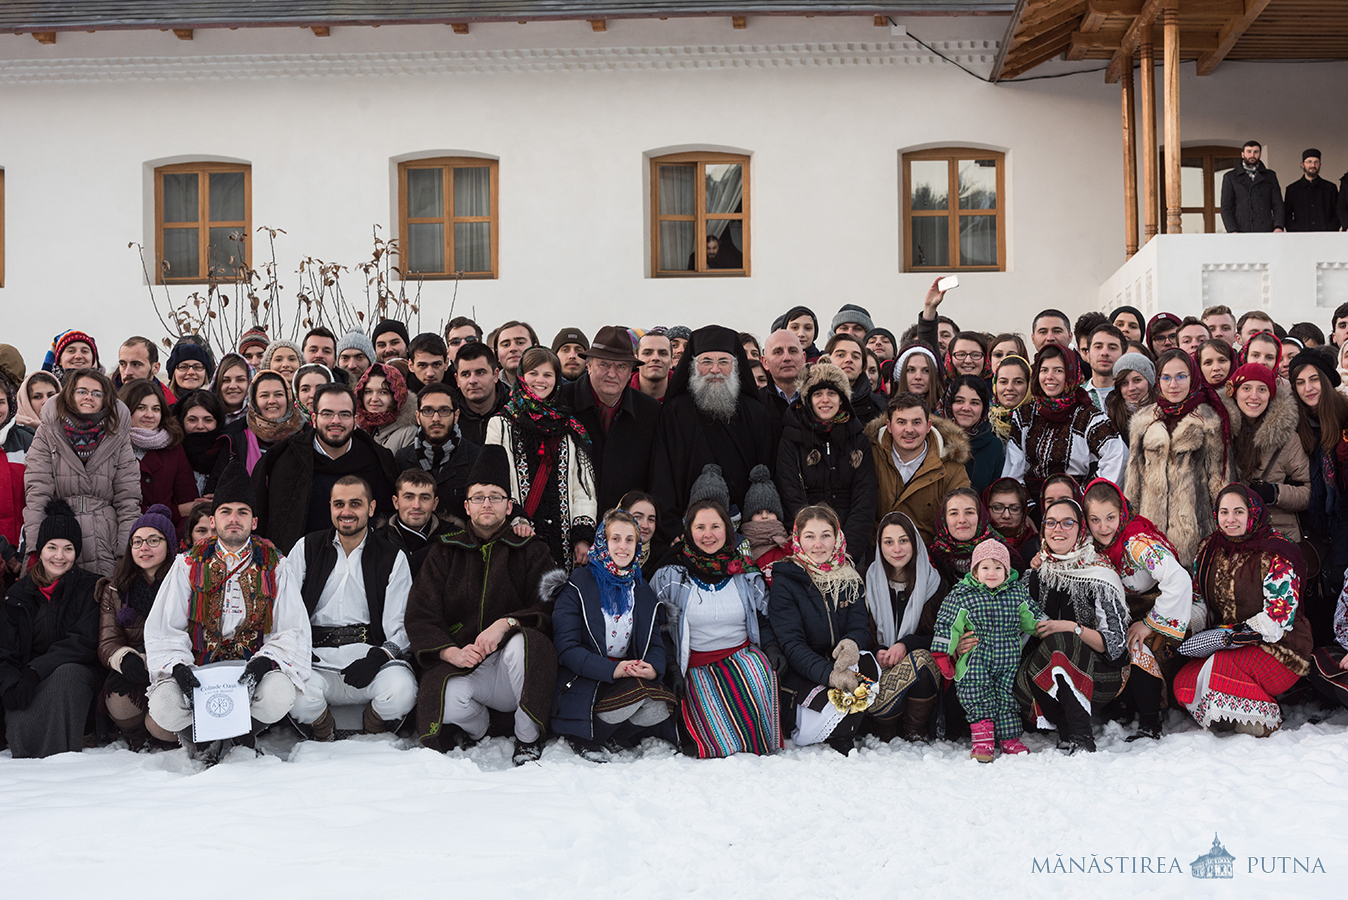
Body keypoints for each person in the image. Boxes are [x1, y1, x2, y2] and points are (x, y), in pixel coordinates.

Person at [142, 460, 310, 759]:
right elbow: (165, 627)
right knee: (164, 706)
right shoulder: (188, 564)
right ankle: (201, 738)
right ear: (214, 519)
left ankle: (244, 734)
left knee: (280, 694)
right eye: (226, 511)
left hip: (250, 669)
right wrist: (179, 668)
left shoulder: (276, 566)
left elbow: (291, 629)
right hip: (198, 667)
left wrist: (265, 662)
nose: (234, 519)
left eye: (242, 512)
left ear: (254, 521)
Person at [404, 445, 561, 763]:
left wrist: (507, 624)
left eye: (495, 497)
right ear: (466, 506)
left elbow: (549, 606)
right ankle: (478, 729)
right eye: (478, 497)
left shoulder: (532, 550)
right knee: (444, 697)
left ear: (509, 506)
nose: (486, 504)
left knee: (525, 645)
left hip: (512, 670)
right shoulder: (445, 552)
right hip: (465, 666)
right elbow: (421, 615)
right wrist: (451, 652)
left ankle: (526, 737)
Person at [285, 476, 416, 740]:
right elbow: (285, 609)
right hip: (316, 660)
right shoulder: (306, 548)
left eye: (355, 503)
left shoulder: (391, 556)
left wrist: (377, 658)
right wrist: (297, 651)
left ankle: (373, 722)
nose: (346, 512)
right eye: (339, 504)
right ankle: (323, 727)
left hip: (368, 658)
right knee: (292, 694)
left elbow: (402, 626)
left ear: (371, 508)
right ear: (330, 508)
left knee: (402, 691)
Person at [1174, 484, 1310, 736]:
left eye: (1238, 511)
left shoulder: (1277, 552)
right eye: (1224, 512)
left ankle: (1265, 717)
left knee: (1218, 670)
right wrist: (1193, 626)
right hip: (1226, 643)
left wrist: (1232, 635)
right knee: (1184, 681)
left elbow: (1277, 618)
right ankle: (1231, 712)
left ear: (1253, 513)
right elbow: (1198, 597)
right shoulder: (1208, 550)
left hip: (1280, 646)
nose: (1230, 519)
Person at [650, 499, 780, 759]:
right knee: (713, 742)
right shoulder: (670, 576)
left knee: (757, 676)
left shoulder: (744, 572)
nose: (708, 535)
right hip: (695, 664)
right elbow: (656, 630)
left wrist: (771, 647)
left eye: (715, 526)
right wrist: (671, 667)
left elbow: (764, 617)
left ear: (728, 530)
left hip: (741, 657)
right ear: (688, 531)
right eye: (700, 527)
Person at [550, 509, 677, 758]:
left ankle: (613, 735)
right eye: (615, 539)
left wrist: (652, 668)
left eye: (630, 540)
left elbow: (654, 643)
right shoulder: (578, 584)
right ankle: (585, 736)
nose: (623, 546)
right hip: (584, 679)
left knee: (659, 708)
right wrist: (612, 670)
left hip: (626, 673)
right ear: (602, 542)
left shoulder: (640, 588)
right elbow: (567, 648)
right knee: (633, 698)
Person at [1082, 479, 1196, 742]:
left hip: (1159, 608)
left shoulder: (1137, 542)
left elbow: (1178, 580)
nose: (1103, 527)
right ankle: (1122, 706)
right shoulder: (1090, 542)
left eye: (1110, 517)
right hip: (1123, 612)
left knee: (1134, 645)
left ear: (1122, 511)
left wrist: (1150, 623)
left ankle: (1150, 719)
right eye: (1095, 519)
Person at [1014, 498, 1130, 754]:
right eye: (1051, 523)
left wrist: (1072, 627)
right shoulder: (1033, 576)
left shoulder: (1099, 574)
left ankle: (1080, 735)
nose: (1058, 529)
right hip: (1040, 677)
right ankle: (1065, 726)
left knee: (1062, 641)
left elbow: (1116, 646)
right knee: (1046, 650)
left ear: (1081, 530)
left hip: (1097, 675)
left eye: (1067, 522)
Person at [650, 325, 774, 543]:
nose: (715, 369)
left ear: (735, 367)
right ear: (693, 367)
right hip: (688, 532)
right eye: (706, 362)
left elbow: (767, 473)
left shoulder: (756, 414)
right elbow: (662, 475)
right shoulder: (675, 412)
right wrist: (671, 528)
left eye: (723, 362)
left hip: (747, 534)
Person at [0, 499, 101, 758]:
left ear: (76, 553)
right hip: (26, 679)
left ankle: (58, 760)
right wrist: (11, 684)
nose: (59, 556)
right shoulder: (18, 594)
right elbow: (5, 649)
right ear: (40, 550)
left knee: (68, 676)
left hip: (72, 675)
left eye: (68, 549)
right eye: (52, 547)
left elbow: (83, 642)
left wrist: (36, 670)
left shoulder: (89, 587)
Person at [769, 506, 872, 754]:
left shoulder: (849, 576)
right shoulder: (786, 580)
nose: (818, 544)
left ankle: (843, 729)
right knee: (832, 702)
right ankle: (830, 729)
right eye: (810, 536)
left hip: (841, 664)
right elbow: (792, 645)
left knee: (869, 667)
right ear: (798, 539)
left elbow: (859, 625)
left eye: (826, 535)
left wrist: (851, 644)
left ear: (837, 538)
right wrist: (830, 675)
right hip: (803, 672)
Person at [931, 538, 1044, 761]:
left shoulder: (1016, 593)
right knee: (977, 695)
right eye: (985, 567)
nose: (991, 573)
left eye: (998, 567)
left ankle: (1009, 738)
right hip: (975, 659)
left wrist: (1048, 629)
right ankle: (983, 740)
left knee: (1006, 697)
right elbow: (947, 624)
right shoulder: (962, 595)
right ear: (975, 571)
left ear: (1006, 570)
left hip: (1007, 659)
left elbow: (1032, 617)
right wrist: (943, 654)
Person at [485, 346, 597, 569]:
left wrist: (583, 537)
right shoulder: (501, 423)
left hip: (564, 544)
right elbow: (492, 478)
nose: (540, 380)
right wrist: (516, 517)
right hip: (515, 533)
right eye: (533, 373)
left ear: (557, 380)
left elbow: (583, 488)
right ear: (522, 377)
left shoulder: (571, 428)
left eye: (548, 375)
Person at [252, 383, 398, 553]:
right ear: (314, 420)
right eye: (327, 413)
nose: (335, 421)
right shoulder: (286, 460)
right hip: (299, 564)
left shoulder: (376, 459)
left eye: (344, 414)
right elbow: (270, 519)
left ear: (356, 420)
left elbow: (386, 515)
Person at [24, 369, 141, 577]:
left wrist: (126, 550)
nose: (89, 397)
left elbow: (128, 498)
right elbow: (37, 494)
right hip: (60, 535)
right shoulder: (48, 432)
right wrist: (35, 547)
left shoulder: (117, 436)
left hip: (105, 536)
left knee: (105, 603)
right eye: (82, 391)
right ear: (69, 394)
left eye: (97, 393)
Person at [1124, 348, 1232, 566]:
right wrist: (1130, 528)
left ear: (1193, 378)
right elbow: (1133, 480)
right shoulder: (1144, 420)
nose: (1173, 385)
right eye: (1166, 377)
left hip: (1196, 536)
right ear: (1159, 380)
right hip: (1150, 535)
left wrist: (1223, 535)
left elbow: (1220, 482)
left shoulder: (1209, 420)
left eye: (1181, 376)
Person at [776, 362, 877, 563]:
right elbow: (790, 493)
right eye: (817, 394)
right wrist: (812, 543)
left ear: (842, 399)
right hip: (807, 545)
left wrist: (847, 551)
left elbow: (865, 498)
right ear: (808, 399)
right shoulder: (791, 439)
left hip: (851, 546)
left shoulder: (859, 439)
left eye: (832, 393)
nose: (825, 400)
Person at [556, 326, 661, 515]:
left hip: (628, 527)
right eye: (604, 364)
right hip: (569, 521)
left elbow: (657, 477)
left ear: (631, 372)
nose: (612, 374)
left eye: (621, 366)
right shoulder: (561, 403)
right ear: (588, 365)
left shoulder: (651, 412)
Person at [96, 504, 177, 748]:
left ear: (169, 544)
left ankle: (167, 740)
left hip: (173, 671)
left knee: (161, 726)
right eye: (137, 541)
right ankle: (136, 739)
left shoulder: (184, 585)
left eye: (153, 540)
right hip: (134, 671)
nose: (144, 548)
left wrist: (146, 661)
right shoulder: (115, 588)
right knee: (119, 699)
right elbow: (108, 641)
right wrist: (125, 659)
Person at [1002, 344, 1126, 499]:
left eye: (1058, 370)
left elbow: (1116, 456)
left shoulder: (1089, 417)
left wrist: (1086, 497)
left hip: (1074, 504)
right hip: (1031, 506)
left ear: (1071, 373)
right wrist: (1025, 506)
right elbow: (1014, 467)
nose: (1049, 376)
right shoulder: (1025, 415)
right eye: (1044, 370)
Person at [863, 511, 945, 742]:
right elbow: (857, 629)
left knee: (921, 658)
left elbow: (942, 635)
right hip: (878, 670)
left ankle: (914, 730)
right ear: (879, 546)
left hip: (917, 672)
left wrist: (905, 645)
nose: (896, 549)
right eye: (888, 542)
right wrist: (875, 649)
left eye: (903, 540)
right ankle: (885, 729)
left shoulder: (933, 583)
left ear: (915, 542)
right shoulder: (865, 580)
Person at [1289, 350, 1348, 642]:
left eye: (1314, 379)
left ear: (1327, 380)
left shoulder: (1344, 416)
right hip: (1310, 529)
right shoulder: (1295, 423)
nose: (1308, 388)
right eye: (1300, 382)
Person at [867, 392, 970, 544]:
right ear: (889, 426)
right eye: (901, 422)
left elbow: (960, 518)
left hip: (928, 554)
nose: (909, 430)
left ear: (928, 426)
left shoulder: (951, 468)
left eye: (916, 422)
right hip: (877, 550)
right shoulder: (871, 456)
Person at [1226, 363, 1309, 542]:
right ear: (1235, 392)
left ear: (1271, 394)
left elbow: (1308, 492)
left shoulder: (1287, 438)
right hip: (1229, 536)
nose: (1254, 396)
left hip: (1276, 538)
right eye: (1246, 388)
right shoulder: (1219, 433)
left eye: (1262, 389)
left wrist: (1275, 493)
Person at [393, 382, 481, 521]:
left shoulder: (476, 457)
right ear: (418, 416)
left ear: (456, 415)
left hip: (460, 539)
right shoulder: (403, 458)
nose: (436, 418)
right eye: (428, 411)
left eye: (444, 411)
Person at [121, 380, 199, 528]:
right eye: (141, 408)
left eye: (156, 409)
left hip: (165, 535)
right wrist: (177, 511)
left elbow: (188, 505)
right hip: (123, 535)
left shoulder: (173, 448)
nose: (149, 415)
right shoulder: (113, 445)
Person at [927, 488, 1020, 583]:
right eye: (954, 513)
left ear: (980, 517)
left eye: (969, 512)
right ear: (944, 520)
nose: (962, 520)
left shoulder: (1003, 553)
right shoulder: (932, 559)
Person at [940, 375, 1002, 497]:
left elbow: (992, 496)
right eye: (959, 401)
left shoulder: (994, 446)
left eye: (974, 403)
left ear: (984, 408)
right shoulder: (934, 437)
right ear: (949, 403)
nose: (966, 408)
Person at [381, 468, 452, 564]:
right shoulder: (377, 542)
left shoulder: (454, 539)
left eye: (425, 498)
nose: (416, 505)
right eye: (409, 497)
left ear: (435, 504)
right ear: (396, 502)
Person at [1221, 140, 1285, 232]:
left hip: (1266, 230)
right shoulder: (1231, 177)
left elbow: (1278, 204)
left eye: (1256, 152)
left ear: (1260, 154)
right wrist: (1232, 230)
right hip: (1241, 230)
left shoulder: (1270, 176)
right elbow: (1226, 208)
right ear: (1243, 154)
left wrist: (1278, 227)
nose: (1252, 155)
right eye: (1249, 151)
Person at [174, 390, 228, 498]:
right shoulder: (171, 452)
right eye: (192, 420)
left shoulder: (229, 452)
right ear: (182, 421)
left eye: (208, 420)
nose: (200, 426)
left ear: (218, 422)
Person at [758, 329, 806, 451]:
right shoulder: (756, 403)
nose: (787, 358)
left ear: (803, 358)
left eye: (793, 351)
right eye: (778, 352)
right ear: (765, 362)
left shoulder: (820, 401)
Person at [452, 342, 508, 446]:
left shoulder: (516, 410)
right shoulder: (448, 413)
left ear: (495, 375)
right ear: (457, 380)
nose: (472, 380)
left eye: (480, 373)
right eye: (465, 374)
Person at [354, 362, 415, 452]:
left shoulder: (408, 434)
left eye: (383, 392)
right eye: (368, 391)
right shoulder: (354, 428)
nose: (374, 399)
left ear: (396, 396)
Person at [825, 333, 886, 422]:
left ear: (862, 367)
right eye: (841, 355)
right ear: (826, 360)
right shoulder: (810, 400)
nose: (849, 359)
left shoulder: (880, 407)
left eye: (855, 357)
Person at [984, 477, 1038, 562]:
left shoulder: (1037, 546)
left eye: (1014, 509)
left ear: (1024, 511)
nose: (1006, 515)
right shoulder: (974, 544)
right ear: (987, 509)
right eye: (998, 508)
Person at [1285, 149, 1341, 231]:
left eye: (1316, 162)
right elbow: (1286, 215)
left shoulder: (1330, 188)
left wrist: (1331, 229)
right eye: (1309, 162)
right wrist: (1295, 231)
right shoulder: (1292, 189)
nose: (1313, 165)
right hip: (1300, 238)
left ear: (1320, 164)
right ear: (1302, 164)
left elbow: (1337, 212)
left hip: (1326, 237)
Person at [1105, 351, 1156, 439]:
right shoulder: (1111, 416)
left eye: (1137, 380)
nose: (1131, 388)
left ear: (1149, 381)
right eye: (1124, 383)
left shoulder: (1165, 412)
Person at [617, 490, 666, 580]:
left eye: (651, 519)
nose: (645, 526)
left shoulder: (663, 561)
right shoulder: (600, 556)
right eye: (638, 517)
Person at [989, 354, 1031, 444]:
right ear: (995, 384)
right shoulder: (983, 422)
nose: (1009, 388)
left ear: (1029, 385)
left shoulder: (1040, 424)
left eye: (1018, 382)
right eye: (1003, 382)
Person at [1084, 324, 1124, 410]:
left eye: (1112, 348)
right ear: (1087, 355)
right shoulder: (1076, 397)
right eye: (1098, 347)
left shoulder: (1133, 394)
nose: (1104, 353)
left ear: (1123, 356)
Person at [893, 345, 943, 414]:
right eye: (911, 370)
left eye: (926, 371)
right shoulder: (887, 411)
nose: (918, 377)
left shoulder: (947, 412)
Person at [490, 320, 539, 389]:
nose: (513, 349)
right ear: (497, 353)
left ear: (535, 348)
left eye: (520, 343)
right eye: (506, 345)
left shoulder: (553, 385)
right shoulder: (488, 389)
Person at [211, 353, 252, 425]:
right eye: (226, 380)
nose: (232, 386)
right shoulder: (204, 419)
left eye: (240, 380)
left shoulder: (262, 422)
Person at [634, 329, 674, 403]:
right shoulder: (620, 394)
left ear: (671, 362)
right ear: (636, 361)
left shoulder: (688, 398)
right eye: (647, 353)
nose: (655, 358)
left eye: (663, 353)